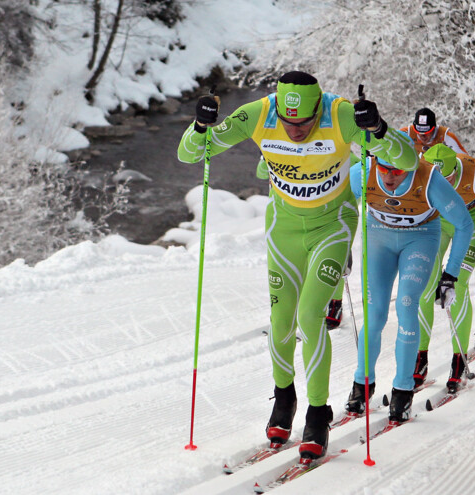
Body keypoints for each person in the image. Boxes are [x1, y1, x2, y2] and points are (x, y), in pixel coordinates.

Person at [177, 71, 417, 460]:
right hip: (283, 229)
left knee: (310, 316)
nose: (296, 130)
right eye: (289, 123)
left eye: (304, 121)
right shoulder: (260, 113)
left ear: (317, 107)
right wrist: (200, 125)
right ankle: (284, 396)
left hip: (332, 226)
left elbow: (406, 158)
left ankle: (318, 412)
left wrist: (378, 128)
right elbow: (190, 153)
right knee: (281, 322)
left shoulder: (340, 114)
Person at [343, 153, 474, 423]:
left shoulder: (429, 179)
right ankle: (362, 383)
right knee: (374, 313)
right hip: (378, 237)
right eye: (384, 170)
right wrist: (341, 245)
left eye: (398, 172)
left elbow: (464, 224)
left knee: (406, 303)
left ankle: (403, 389)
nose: (390, 177)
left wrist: (450, 274)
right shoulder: (363, 171)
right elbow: (339, 206)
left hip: (420, 238)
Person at [414, 144, 475, 393]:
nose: (443, 186)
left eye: (447, 180)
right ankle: (420, 357)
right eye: (437, 181)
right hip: (438, 221)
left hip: (471, 220)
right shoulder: (420, 170)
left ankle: (459, 359)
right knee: (425, 285)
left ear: (455, 170)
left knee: (457, 284)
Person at [400, 107, 469, 154]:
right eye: (419, 131)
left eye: (426, 131)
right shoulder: (407, 132)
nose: (422, 136)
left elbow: (465, 158)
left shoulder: (445, 136)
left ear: (434, 128)